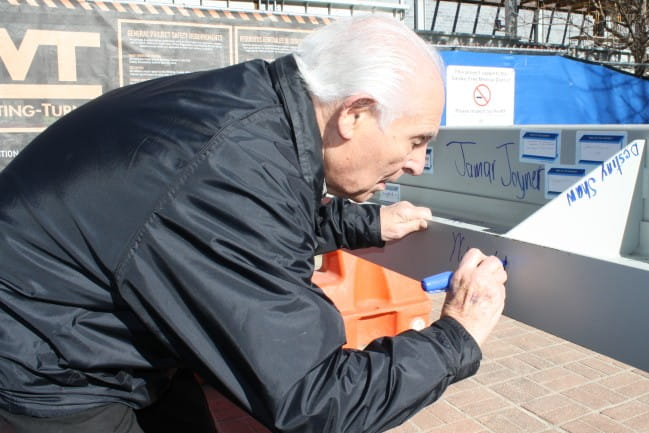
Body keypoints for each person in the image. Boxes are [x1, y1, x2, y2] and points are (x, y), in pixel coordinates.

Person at [0, 15, 506, 433]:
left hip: (90, 332)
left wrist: (365, 224)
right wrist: (455, 337)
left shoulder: (259, 112)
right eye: (417, 140)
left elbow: (250, 218)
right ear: (355, 113)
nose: (419, 164)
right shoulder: (226, 171)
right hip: (45, 372)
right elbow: (313, 396)